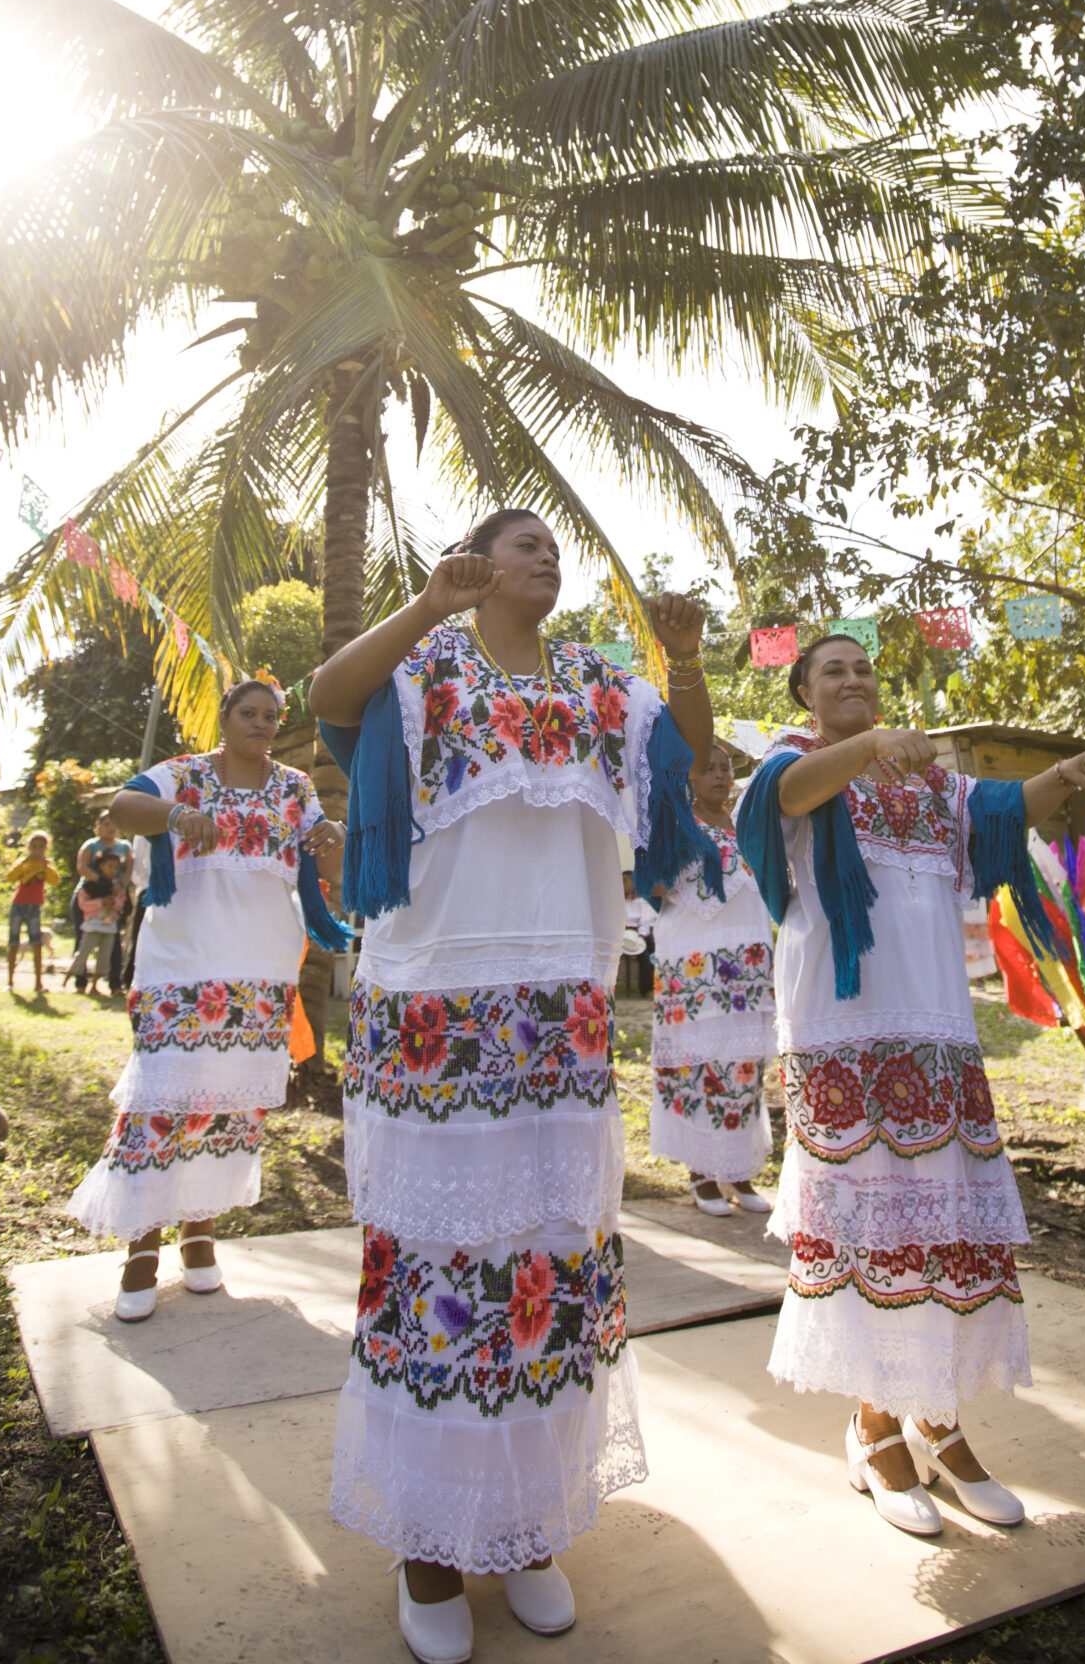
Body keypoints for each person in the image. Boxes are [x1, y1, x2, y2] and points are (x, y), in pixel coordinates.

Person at [311, 510, 720, 1664]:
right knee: (441, 1263)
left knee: (546, 1258)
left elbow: (688, 763)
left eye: (553, 546)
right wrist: (428, 605)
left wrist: (683, 659)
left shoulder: (602, 685)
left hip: (561, 1018)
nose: (545, 557)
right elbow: (329, 696)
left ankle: (528, 1527)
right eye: (520, 544)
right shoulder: (425, 669)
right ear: (478, 563)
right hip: (438, 1014)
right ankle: (429, 1544)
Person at [737, 632, 1085, 1537]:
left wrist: (1065, 774)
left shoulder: (929, 782)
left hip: (938, 1033)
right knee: (871, 1230)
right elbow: (782, 801)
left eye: (865, 667)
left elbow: (1002, 811)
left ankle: (936, 1416)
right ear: (802, 692)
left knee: (943, 1223)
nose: (856, 679)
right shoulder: (793, 762)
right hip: (844, 1035)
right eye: (834, 670)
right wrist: (868, 745)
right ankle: (872, 1429)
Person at [66, 678, 346, 1321]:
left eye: (272, 716)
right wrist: (172, 816)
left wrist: (332, 846)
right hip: (180, 968)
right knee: (161, 1102)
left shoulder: (294, 789)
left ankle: (199, 1232)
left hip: (262, 966)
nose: (263, 723)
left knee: (231, 1105)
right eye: (249, 713)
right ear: (224, 717)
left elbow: (329, 869)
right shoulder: (182, 774)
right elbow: (123, 805)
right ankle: (141, 1248)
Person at [648, 738, 778, 1216]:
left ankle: (739, 1173)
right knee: (697, 1065)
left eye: (725, 768)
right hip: (693, 961)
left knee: (744, 1065)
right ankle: (701, 1175)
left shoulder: (748, 823)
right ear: (689, 778)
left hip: (745, 960)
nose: (720, 776)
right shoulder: (675, 821)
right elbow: (655, 882)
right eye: (709, 768)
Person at [4, 830, 58, 995]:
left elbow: (54, 881)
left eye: (41, 847)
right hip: (18, 905)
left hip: (34, 907)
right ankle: (10, 981)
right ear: (28, 847)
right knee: (13, 943)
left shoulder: (46, 864)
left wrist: (44, 865)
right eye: (34, 847)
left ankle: (38, 983)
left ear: (46, 848)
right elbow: (10, 878)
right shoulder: (23, 862)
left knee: (36, 944)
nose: (37, 850)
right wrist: (24, 862)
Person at [64, 851, 127, 992]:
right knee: (82, 953)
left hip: (109, 926)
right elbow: (83, 903)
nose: (113, 870)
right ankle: (68, 983)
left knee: (104, 957)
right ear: (101, 866)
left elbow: (121, 903)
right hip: (92, 925)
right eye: (110, 866)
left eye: (116, 867)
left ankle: (95, 986)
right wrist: (101, 902)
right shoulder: (91, 885)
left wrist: (113, 902)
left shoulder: (116, 885)